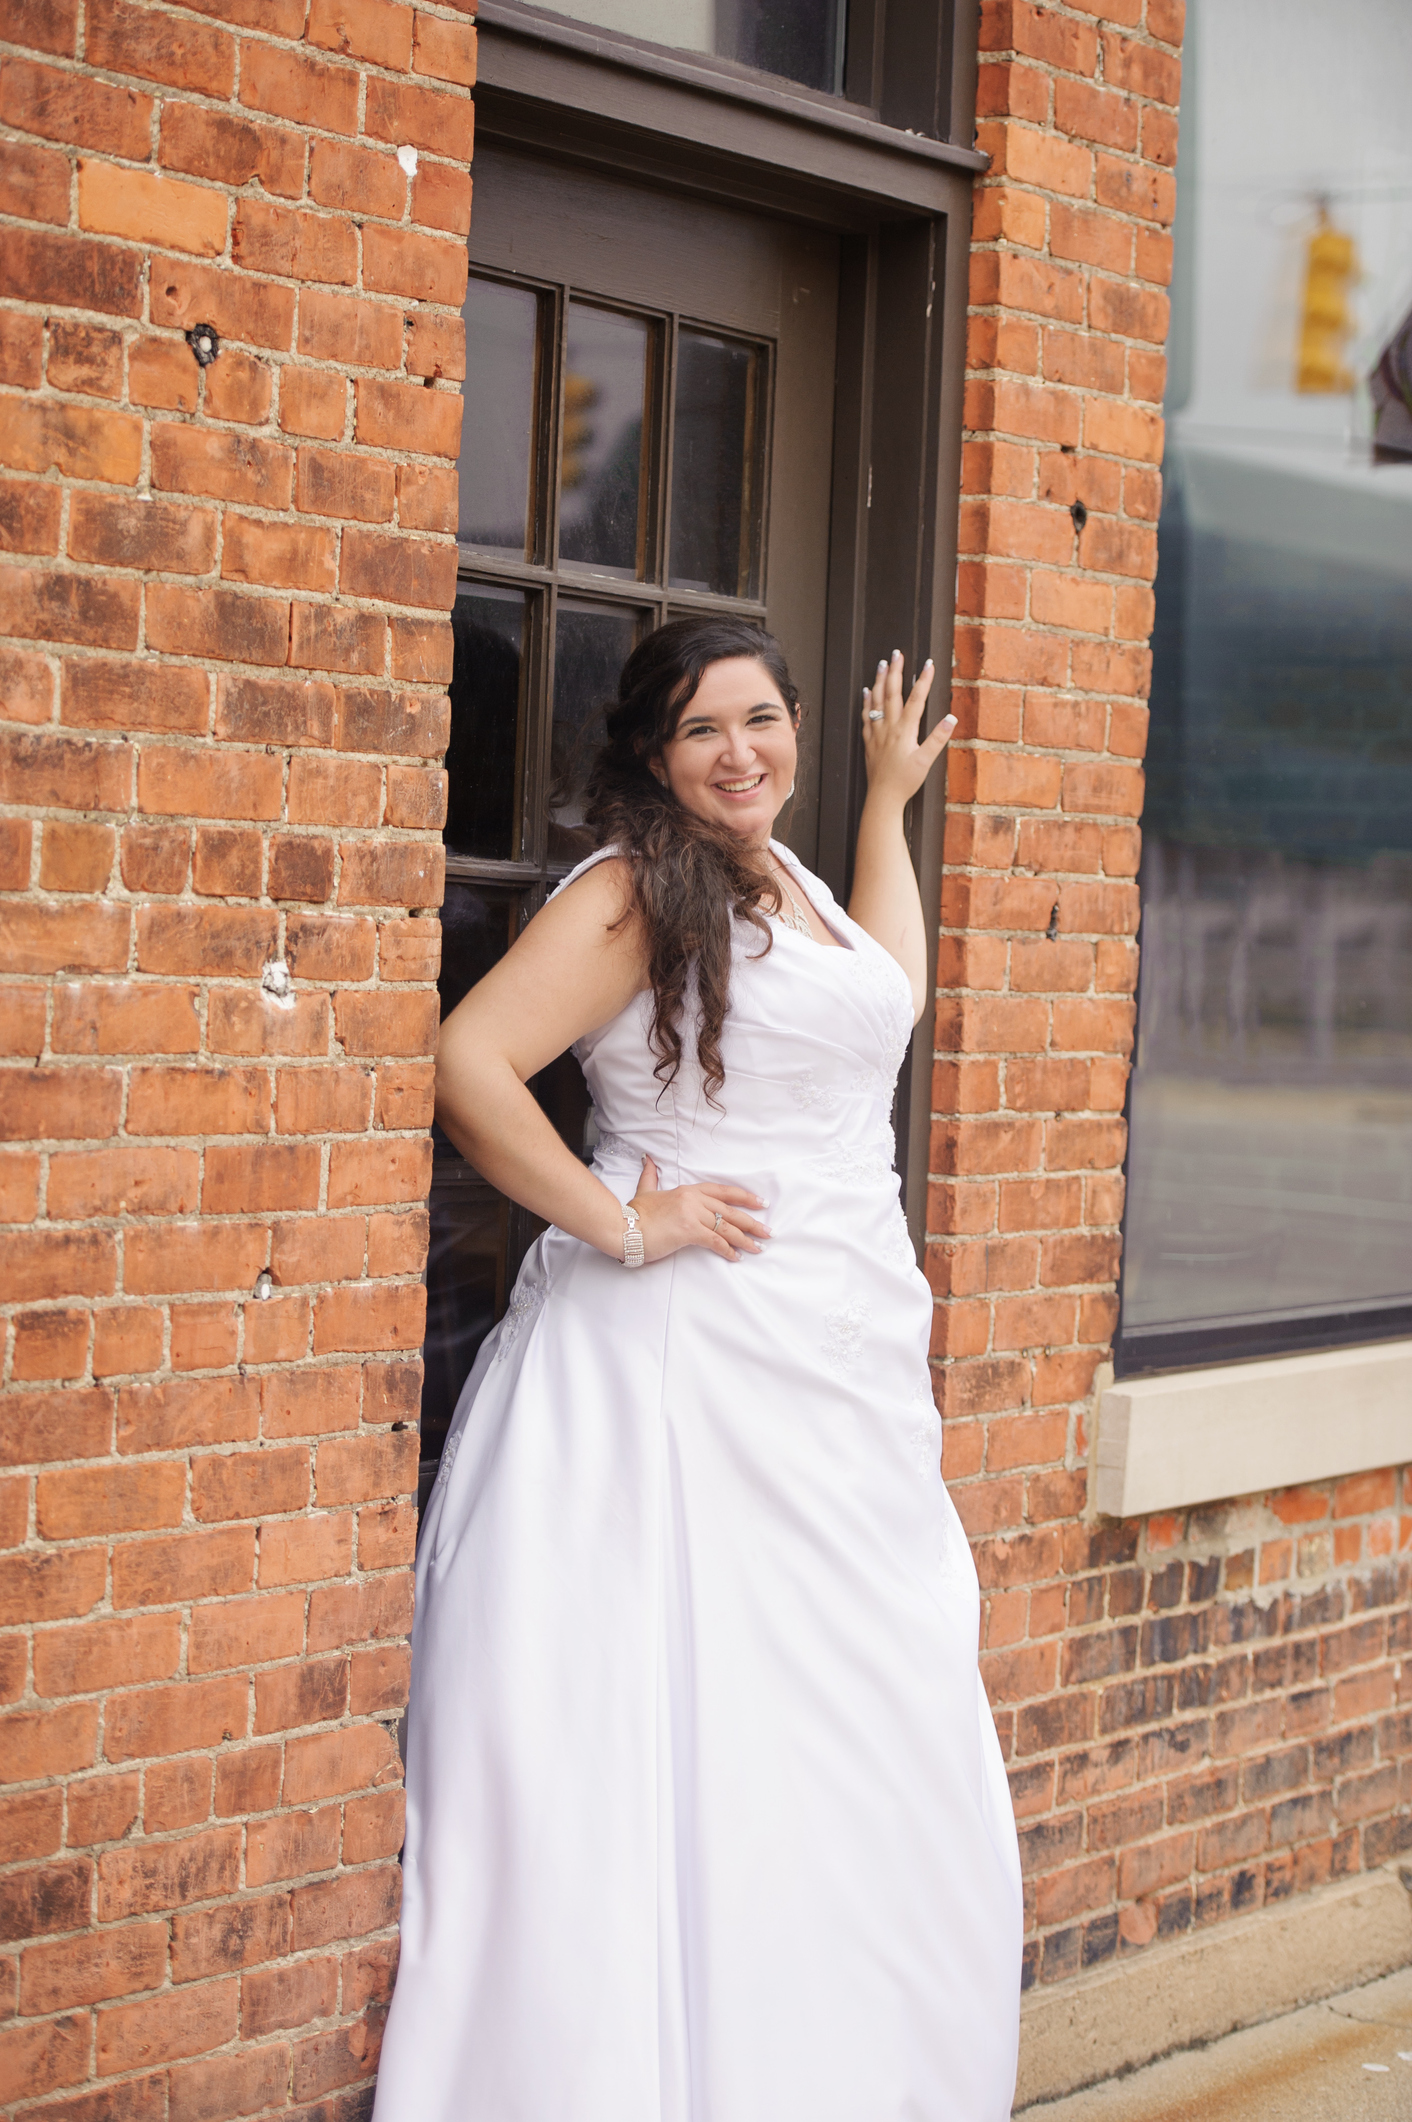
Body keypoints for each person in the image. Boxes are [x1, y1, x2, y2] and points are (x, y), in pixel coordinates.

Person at [372, 618, 1023, 2122]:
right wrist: (622, 1216)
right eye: (703, 730)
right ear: (653, 755)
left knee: (854, 1734)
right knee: (711, 1731)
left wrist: (878, 811)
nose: (742, 752)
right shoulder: (633, 888)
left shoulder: (785, 874)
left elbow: (880, 1005)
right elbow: (469, 1060)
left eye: (763, 719)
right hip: (690, 1369)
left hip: (839, 1370)